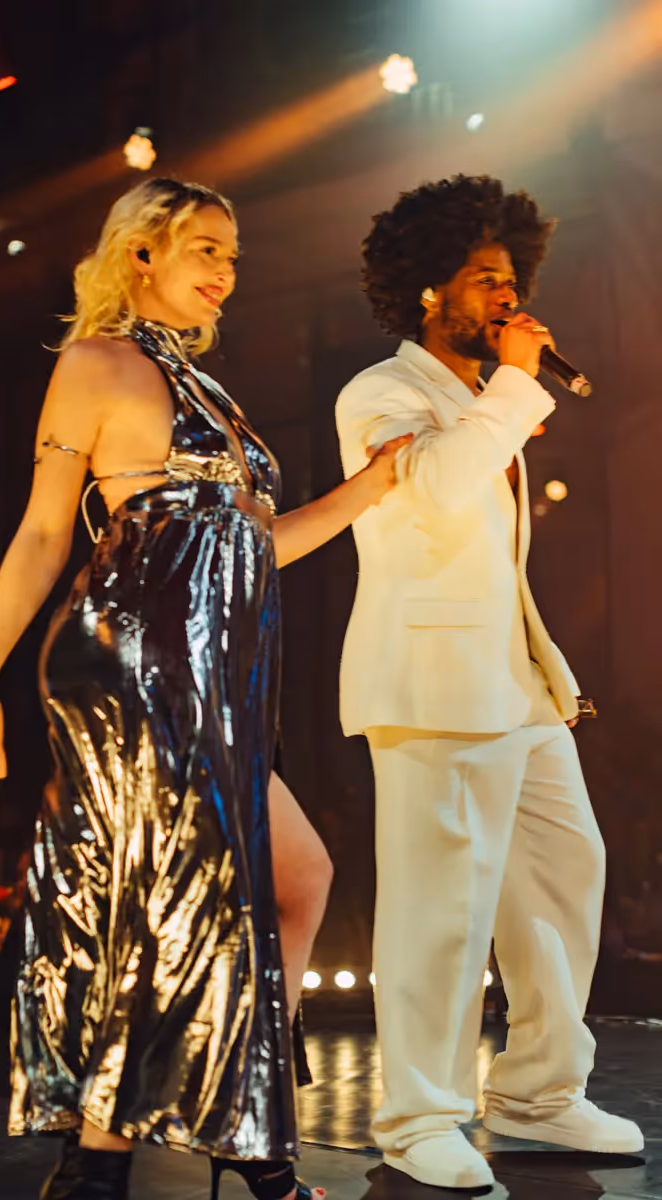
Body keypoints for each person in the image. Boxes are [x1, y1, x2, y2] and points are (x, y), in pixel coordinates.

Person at [0, 177, 409, 1200]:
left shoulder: (208, 391)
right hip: (133, 662)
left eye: (234, 256)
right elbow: (43, 531)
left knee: (299, 878)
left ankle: (234, 1117)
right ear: (142, 252)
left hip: (218, 678)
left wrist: (370, 488)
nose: (226, 272)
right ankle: (108, 1164)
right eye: (206, 248)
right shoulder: (96, 363)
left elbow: (254, 545)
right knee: (159, 902)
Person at [335, 174, 644, 1191]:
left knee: (564, 874)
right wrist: (511, 392)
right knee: (440, 909)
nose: (506, 296)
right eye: (482, 277)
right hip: (431, 686)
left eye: (512, 278)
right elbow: (431, 491)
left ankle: (537, 1094)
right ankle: (418, 1115)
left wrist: (500, 400)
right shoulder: (380, 394)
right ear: (428, 289)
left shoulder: (479, 403)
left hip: (514, 684)